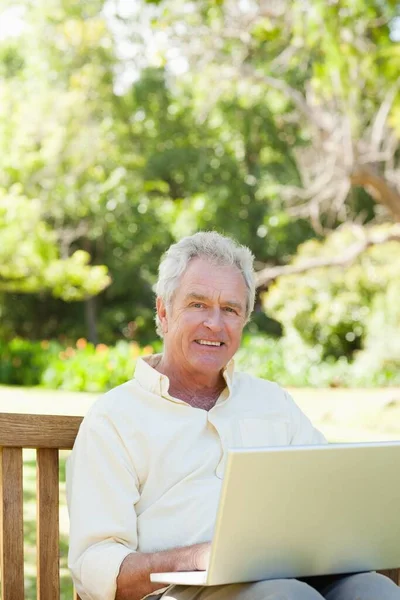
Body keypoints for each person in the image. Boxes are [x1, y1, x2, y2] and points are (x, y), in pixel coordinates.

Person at [66, 231, 399, 600]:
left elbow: (329, 501)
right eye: (197, 304)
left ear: (243, 320)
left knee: (376, 589)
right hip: (181, 592)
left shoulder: (273, 403)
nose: (215, 323)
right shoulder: (116, 418)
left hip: (292, 577)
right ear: (163, 310)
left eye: (230, 309)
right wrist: (196, 558)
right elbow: (94, 566)